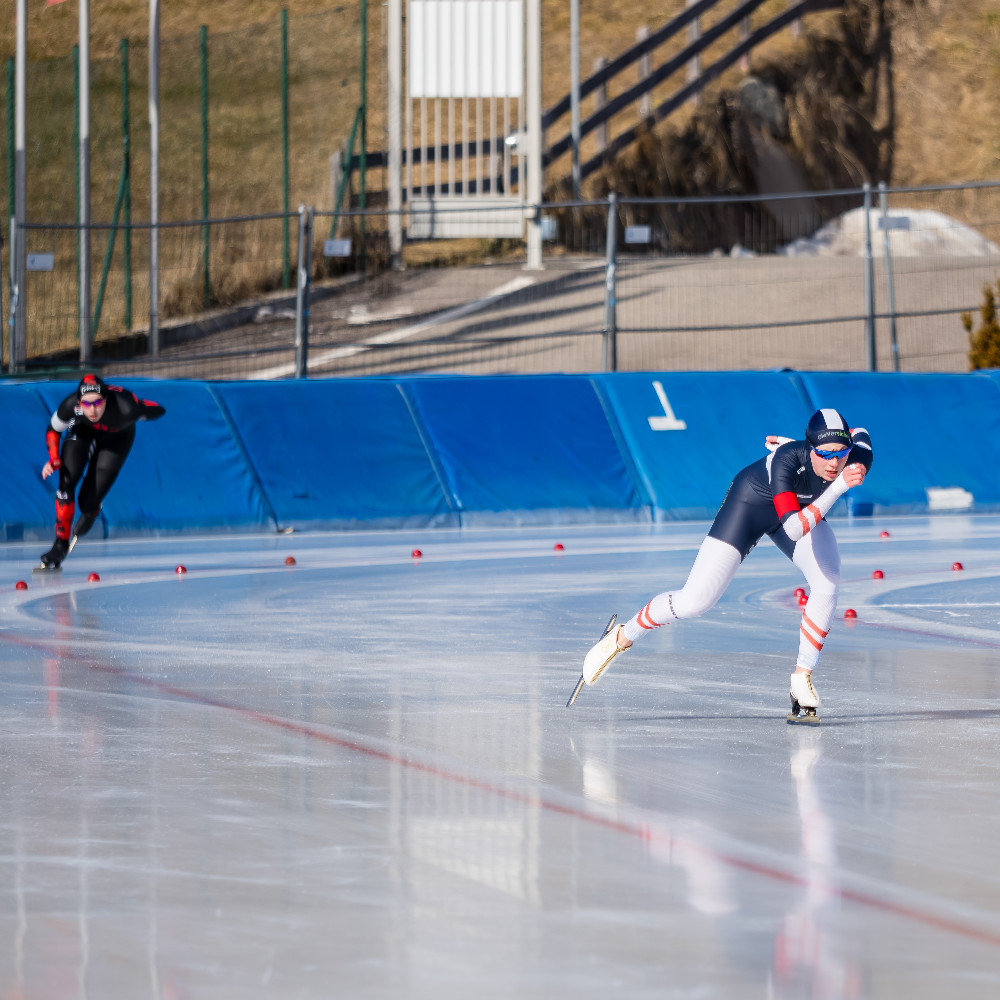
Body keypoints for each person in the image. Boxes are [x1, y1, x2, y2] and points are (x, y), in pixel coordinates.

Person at [575, 408, 874, 723]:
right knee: (695, 602)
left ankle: (802, 677)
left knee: (827, 582)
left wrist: (823, 455)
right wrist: (837, 485)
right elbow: (794, 529)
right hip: (750, 506)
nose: (833, 462)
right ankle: (622, 636)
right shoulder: (785, 462)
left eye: (840, 453)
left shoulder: (855, 458)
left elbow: (862, 432)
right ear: (809, 447)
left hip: (798, 509)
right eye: (824, 453)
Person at [39, 374, 166, 569]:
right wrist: (54, 458)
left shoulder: (126, 408)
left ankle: (92, 510)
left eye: (97, 403)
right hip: (82, 430)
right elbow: (53, 429)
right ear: (79, 402)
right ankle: (60, 544)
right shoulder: (71, 405)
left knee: (87, 502)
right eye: (86, 404)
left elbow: (156, 409)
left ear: (106, 399)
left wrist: (144, 411)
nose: (92, 410)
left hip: (117, 438)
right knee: (67, 481)